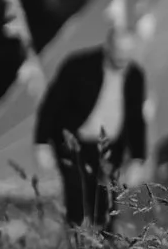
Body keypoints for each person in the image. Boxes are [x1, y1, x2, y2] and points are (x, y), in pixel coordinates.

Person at [33, 37, 146, 231]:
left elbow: (136, 118)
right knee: (77, 197)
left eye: (127, 53)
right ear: (107, 47)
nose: (122, 58)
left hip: (109, 149)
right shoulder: (78, 66)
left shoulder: (135, 76)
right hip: (74, 144)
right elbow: (52, 104)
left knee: (106, 204)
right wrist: (41, 142)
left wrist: (137, 157)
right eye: (119, 51)